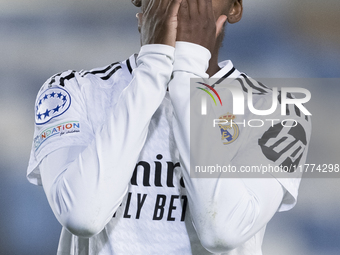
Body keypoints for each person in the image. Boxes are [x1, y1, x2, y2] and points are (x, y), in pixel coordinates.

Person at [27, 0, 311, 254]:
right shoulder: (72, 90)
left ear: (234, 9)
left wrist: (188, 74)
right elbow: (82, 215)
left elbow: (223, 232)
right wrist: (152, 70)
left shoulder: (282, 114)